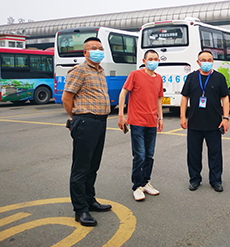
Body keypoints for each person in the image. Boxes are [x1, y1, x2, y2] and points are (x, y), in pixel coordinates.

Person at [62, 37, 112, 227]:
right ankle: (80, 210)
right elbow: (67, 98)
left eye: (100, 48)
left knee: (93, 166)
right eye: (93, 48)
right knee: (81, 168)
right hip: (85, 121)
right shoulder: (80, 70)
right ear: (85, 53)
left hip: (100, 122)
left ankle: (90, 200)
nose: (97, 50)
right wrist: (76, 118)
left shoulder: (100, 71)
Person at [180, 50, 230, 192]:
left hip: (214, 124)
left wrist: (225, 118)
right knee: (193, 154)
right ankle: (194, 179)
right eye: (203, 60)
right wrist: (183, 116)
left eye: (209, 60)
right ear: (198, 62)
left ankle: (216, 180)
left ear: (212, 61)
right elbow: (184, 97)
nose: (206, 62)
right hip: (194, 123)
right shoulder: (191, 77)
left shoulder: (219, 78)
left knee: (215, 154)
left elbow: (225, 98)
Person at [118, 49, 164, 201]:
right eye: (150, 58)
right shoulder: (135, 75)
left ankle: (145, 182)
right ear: (144, 61)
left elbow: (158, 99)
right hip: (137, 121)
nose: (153, 61)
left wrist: (160, 117)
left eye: (156, 58)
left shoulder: (158, 78)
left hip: (151, 121)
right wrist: (121, 115)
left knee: (149, 155)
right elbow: (123, 93)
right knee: (140, 155)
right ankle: (137, 186)